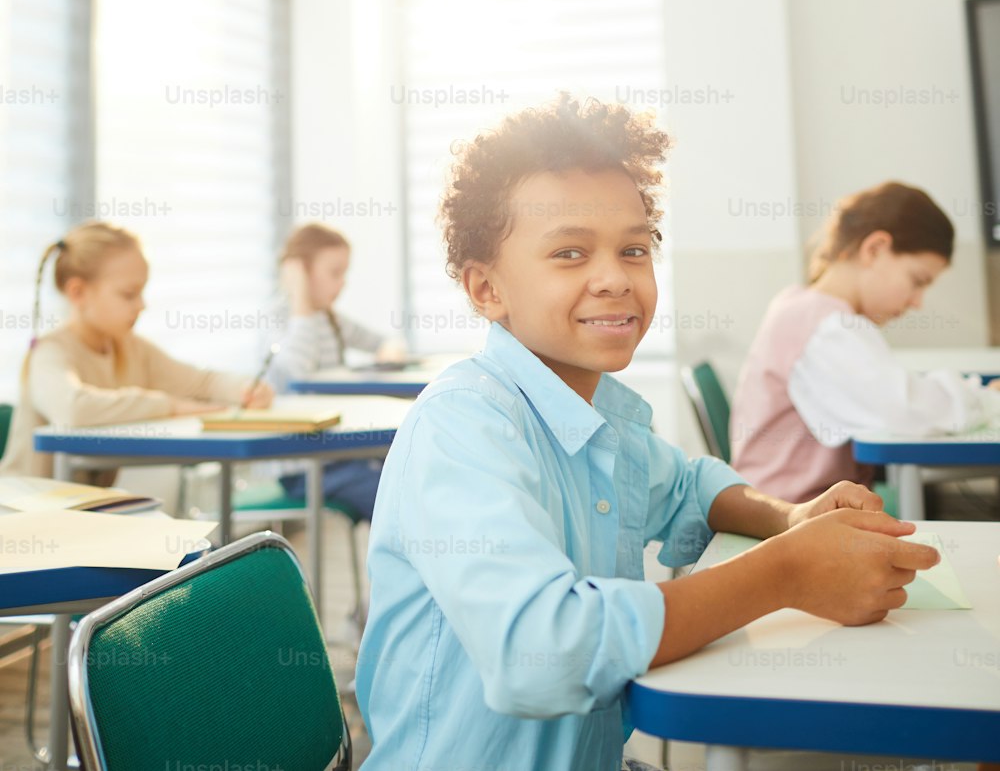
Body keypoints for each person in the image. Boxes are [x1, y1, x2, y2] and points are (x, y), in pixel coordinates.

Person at [355, 97, 938, 771]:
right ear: (487, 289)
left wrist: (791, 515)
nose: (615, 278)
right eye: (570, 253)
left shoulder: (602, 416)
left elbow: (689, 485)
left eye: (634, 249)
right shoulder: (463, 427)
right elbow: (542, 650)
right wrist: (788, 571)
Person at [730, 181, 1000, 501]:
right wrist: (984, 399)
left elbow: (892, 395)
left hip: (798, 507)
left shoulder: (804, 306)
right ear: (874, 249)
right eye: (917, 281)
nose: (917, 302)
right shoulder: (826, 327)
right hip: (790, 516)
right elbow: (902, 410)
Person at [0, 221, 272, 479]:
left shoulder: (131, 348)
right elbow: (73, 409)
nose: (142, 305)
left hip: (85, 509)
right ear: (78, 293)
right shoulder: (49, 353)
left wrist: (245, 388)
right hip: (23, 509)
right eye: (129, 294)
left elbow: (201, 382)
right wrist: (170, 406)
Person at [267, 223, 406, 520]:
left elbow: (384, 341)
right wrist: (301, 299)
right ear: (300, 272)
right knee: (394, 495)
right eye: (334, 273)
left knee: (410, 472)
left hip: (342, 454)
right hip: (304, 467)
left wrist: (390, 351)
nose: (342, 283)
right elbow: (294, 372)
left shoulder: (330, 320)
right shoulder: (281, 321)